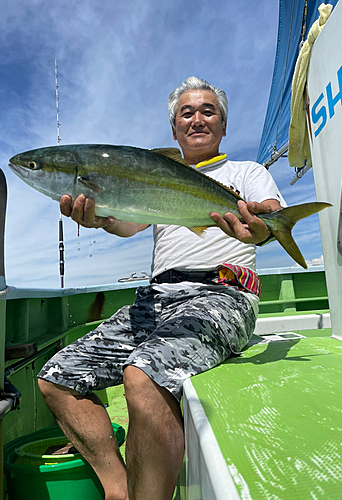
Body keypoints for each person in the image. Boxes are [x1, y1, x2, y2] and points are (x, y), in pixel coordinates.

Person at [38, 76, 284, 500]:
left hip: (223, 295)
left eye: (208, 111)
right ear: (174, 131)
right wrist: (102, 217)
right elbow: (127, 222)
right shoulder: (152, 176)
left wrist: (262, 229)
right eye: (186, 113)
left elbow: (268, 219)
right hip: (156, 298)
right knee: (56, 378)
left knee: (143, 375)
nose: (197, 119)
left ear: (223, 126)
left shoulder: (247, 172)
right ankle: (119, 489)